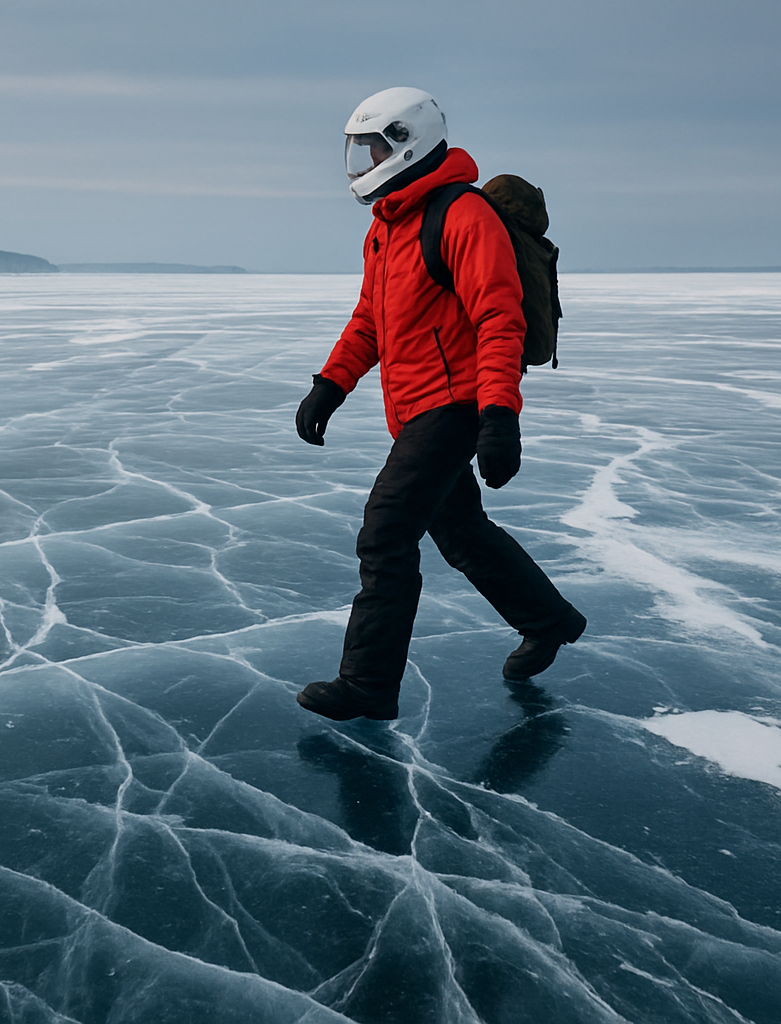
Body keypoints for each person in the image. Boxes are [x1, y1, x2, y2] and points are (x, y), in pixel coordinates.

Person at [294, 87, 585, 722]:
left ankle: (368, 683)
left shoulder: (461, 216)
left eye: (370, 148)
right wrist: (331, 384)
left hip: (456, 405)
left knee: (387, 531)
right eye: (358, 150)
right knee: (460, 531)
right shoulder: (387, 228)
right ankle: (549, 619)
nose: (362, 161)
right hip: (415, 409)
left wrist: (500, 416)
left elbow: (498, 319)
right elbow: (370, 319)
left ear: (406, 143)